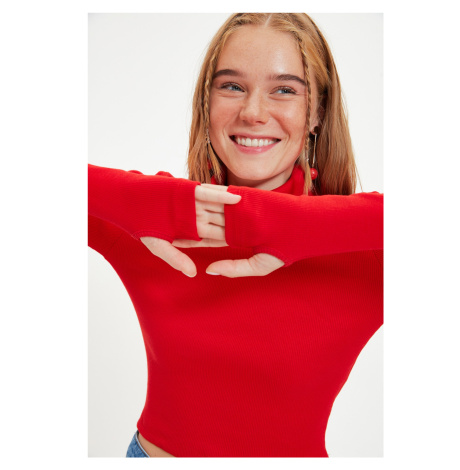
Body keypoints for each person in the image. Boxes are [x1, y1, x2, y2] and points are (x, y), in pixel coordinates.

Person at [89, 13, 383, 457]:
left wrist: (293, 224)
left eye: (284, 90)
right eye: (231, 86)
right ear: (206, 104)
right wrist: (138, 199)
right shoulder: (159, 229)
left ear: (317, 112)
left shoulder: (363, 253)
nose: (253, 112)